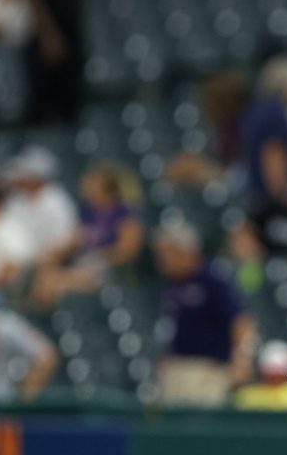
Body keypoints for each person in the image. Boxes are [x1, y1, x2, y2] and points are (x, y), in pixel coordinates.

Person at [153, 221, 258, 407]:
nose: (162, 263)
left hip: (208, 370)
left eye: (167, 255)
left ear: (185, 252)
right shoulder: (173, 283)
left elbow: (241, 322)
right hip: (178, 367)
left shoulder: (211, 280)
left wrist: (241, 360)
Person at [32, 162, 143, 307]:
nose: (86, 187)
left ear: (105, 188)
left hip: (107, 270)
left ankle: (48, 320)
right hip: (83, 265)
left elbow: (127, 251)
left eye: (92, 183)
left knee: (55, 283)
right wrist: (51, 255)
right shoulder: (88, 213)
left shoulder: (124, 214)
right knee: (45, 273)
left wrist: (100, 258)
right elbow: (73, 241)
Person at [1, 146, 78, 265]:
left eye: (26, 173)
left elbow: (65, 241)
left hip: (48, 261)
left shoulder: (58, 201)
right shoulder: (14, 200)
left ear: (37, 177)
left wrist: (43, 259)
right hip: (16, 262)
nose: (20, 177)